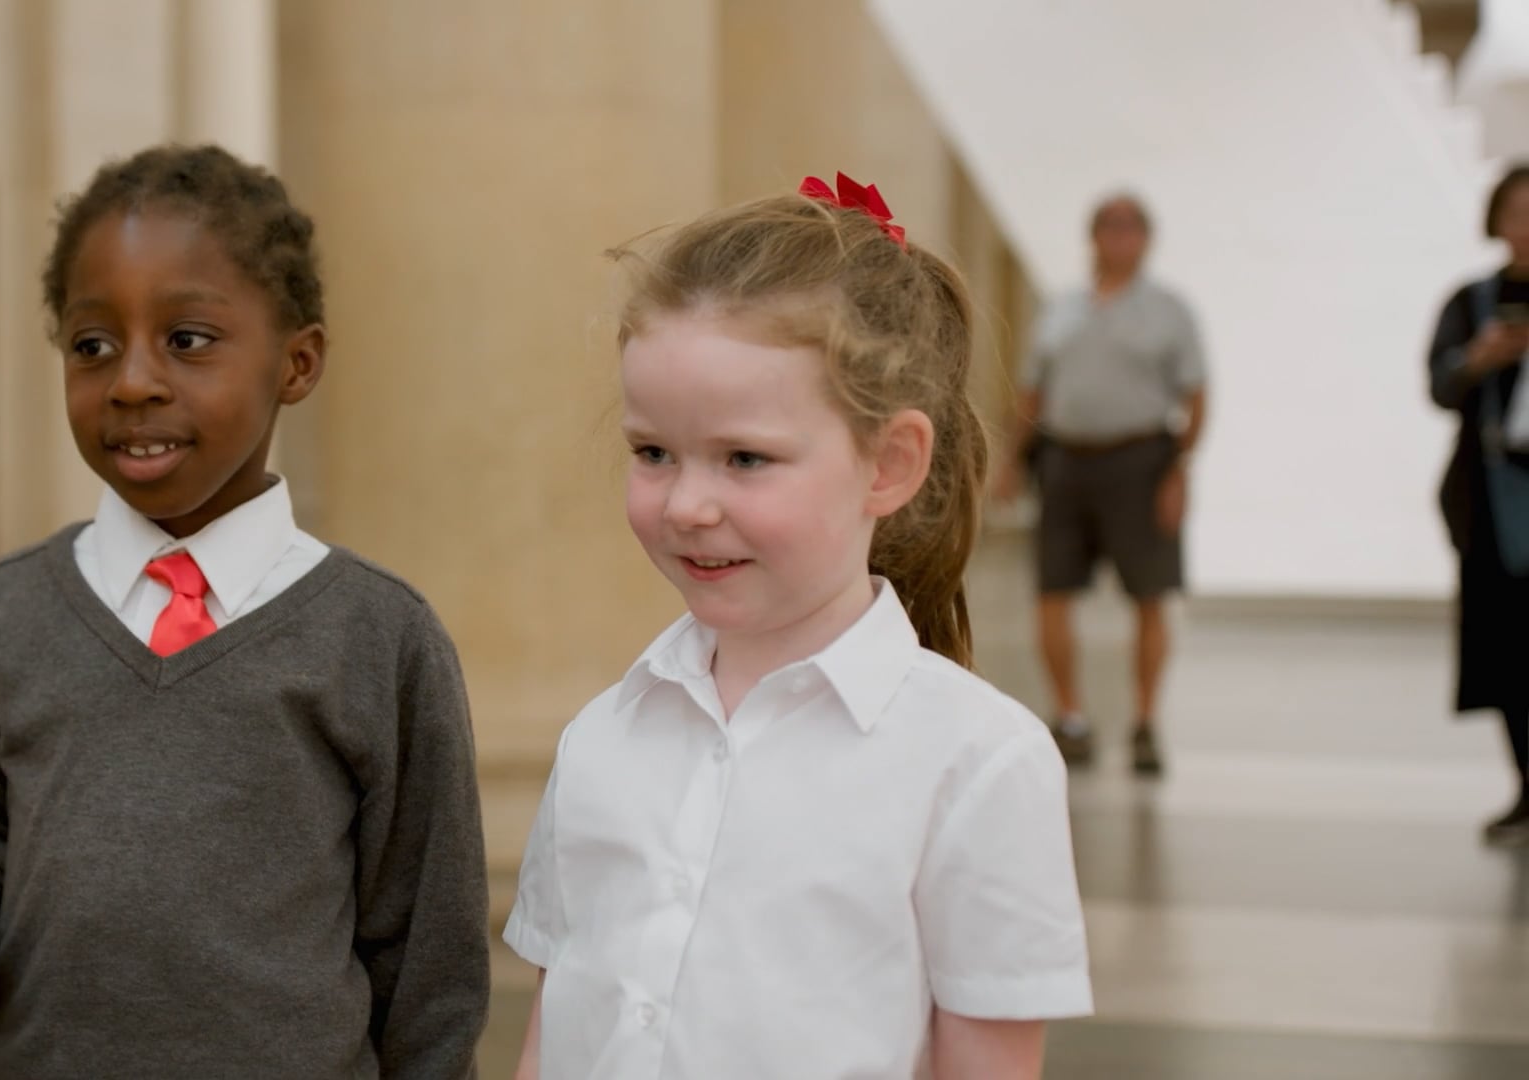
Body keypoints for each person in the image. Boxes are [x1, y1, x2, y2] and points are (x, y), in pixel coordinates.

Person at [0, 144, 491, 1077]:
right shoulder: (1, 615)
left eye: (187, 340)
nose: (131, 381)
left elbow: (427, 957)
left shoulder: (380, 639)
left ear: (296, 363)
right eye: (92, 345)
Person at [504, 174, 1092, 1080]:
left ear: (889, 465)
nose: (689, 504)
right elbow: (560, 1021)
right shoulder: (601, 739)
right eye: (653, 453)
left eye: (746, 458)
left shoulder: (977, 762)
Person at [994, 194, 1207, 776]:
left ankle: (1144, 721)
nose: (1118, 237)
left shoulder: (1168, 312)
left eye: (1130, 227)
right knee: (1053, 589)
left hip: (1140, 459)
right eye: (1108, 227)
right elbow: (1034, 390)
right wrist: (1010, 458)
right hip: (1065, 461)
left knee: (1149, 593)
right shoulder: (1062, 309)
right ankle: (1070, 717)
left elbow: (1195, 395)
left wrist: (1179, 470)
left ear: (1145, 239)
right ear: (1091, 237)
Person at [1427, 165, 1529, 847]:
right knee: (1506, 650)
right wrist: (1480, 360)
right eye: (1516, 210)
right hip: (1495, 500)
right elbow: (1438, 383)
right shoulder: (1473, 300)